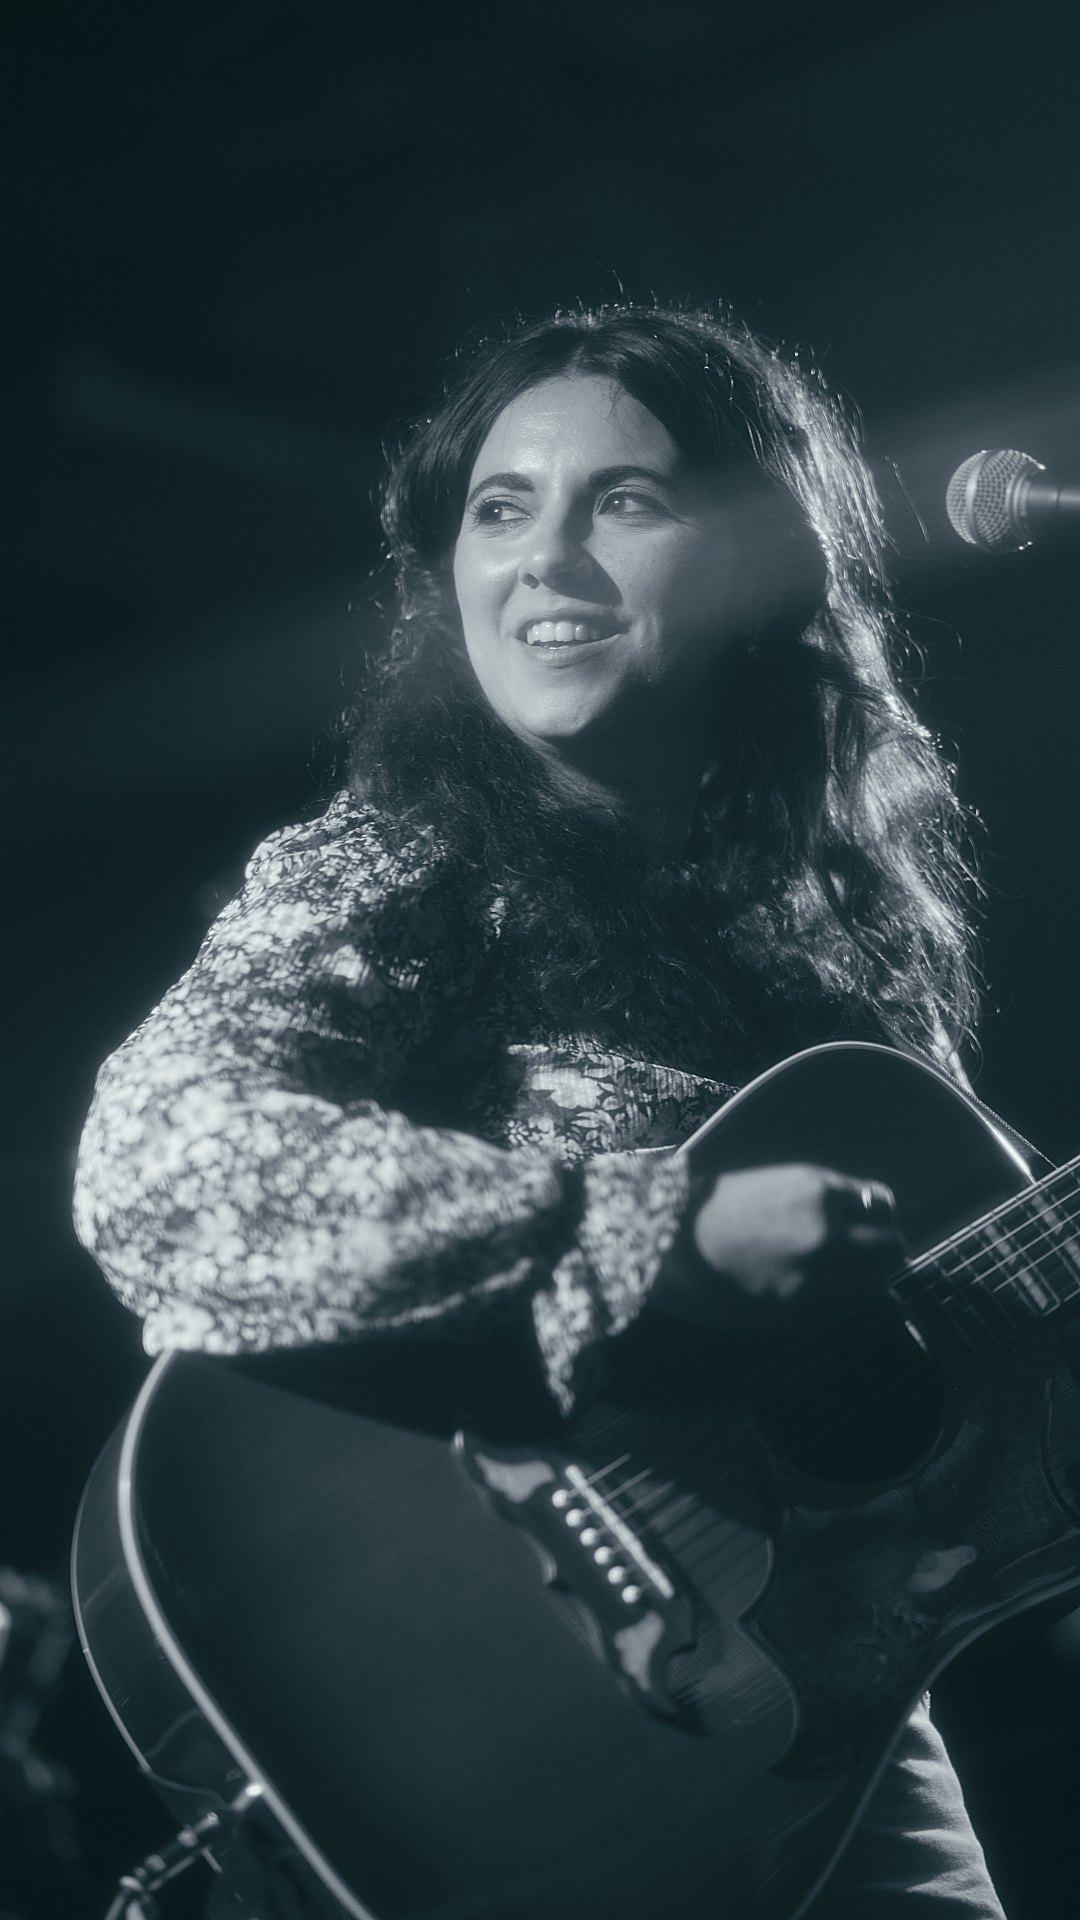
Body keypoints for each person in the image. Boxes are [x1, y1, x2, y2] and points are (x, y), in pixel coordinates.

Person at [73, 303, 1007, 1917]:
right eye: (500, 508)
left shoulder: (859, 947)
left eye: (623, 502)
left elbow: (976, 1429)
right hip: (501, 1706)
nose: (545, 560)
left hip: (830, 1728)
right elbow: (157, 1163)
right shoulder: (410, 859)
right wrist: (654, 1239)